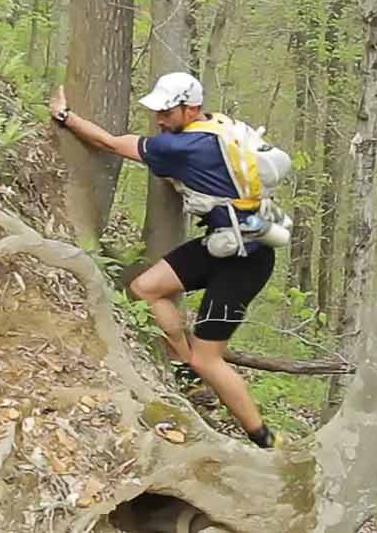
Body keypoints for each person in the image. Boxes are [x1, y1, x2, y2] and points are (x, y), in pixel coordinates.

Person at [49, 71, 282, 449]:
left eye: (166, 112)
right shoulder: (218, 127)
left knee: (211, 361)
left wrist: (65, 116)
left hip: (245, 262)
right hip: (227, 242)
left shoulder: (181, 148)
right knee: (145, 287)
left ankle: (264, 438)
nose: (159, 120)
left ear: (191, 109)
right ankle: (184, 363)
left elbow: (108, 143)